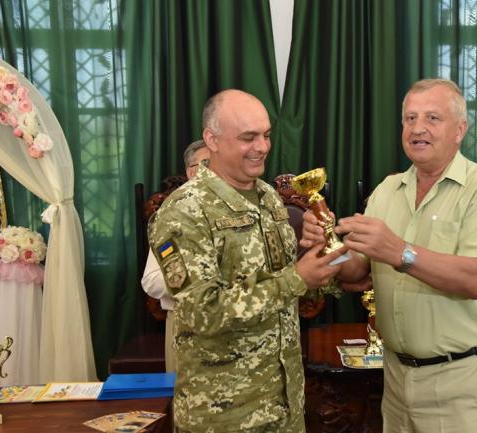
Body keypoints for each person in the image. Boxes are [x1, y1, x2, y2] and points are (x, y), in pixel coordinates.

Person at [301, 78, 477, 433]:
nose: (418, 128)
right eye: (410, 118)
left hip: (460, 377)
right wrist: (328, 246)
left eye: (433, 118)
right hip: (395, 378)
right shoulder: (387, 191)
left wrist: (400, 251)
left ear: (460, 129)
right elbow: (357, 274)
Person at [147, 89, 344, 433]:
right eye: (248, 137)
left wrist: (315, 255)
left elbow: (287, 292)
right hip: (225, 416)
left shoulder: (268, 197)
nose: (263, 147)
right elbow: (202, 312)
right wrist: (297, 278)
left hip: (285, 407)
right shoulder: (184, 211)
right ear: (212, 140)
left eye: (266, 135)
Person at [141, 139, 210, 372]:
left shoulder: (240, 208)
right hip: (186, 325)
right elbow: (151, 281)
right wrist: (199, 284)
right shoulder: (173, 214)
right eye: (207, 164)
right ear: (191, 172)